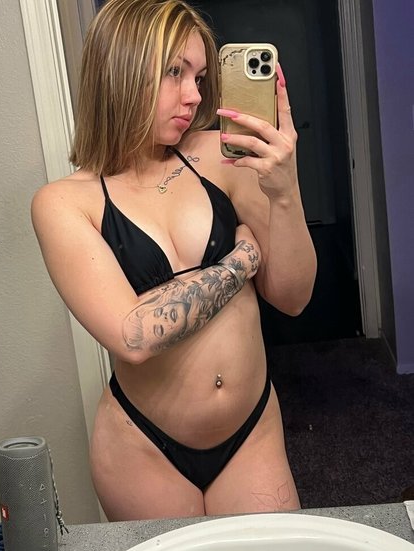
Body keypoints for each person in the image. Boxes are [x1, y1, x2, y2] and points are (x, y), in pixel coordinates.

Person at [31, 0, 317, 521]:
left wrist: (285, 191)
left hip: (250, 432)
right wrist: (242, 259)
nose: (195, 96)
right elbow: (134, 336)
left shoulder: (221, 154)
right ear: (120, 70)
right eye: (174, 72)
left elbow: (294, 298)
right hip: (144, 448)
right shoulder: (64, 202)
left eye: (200, 77)